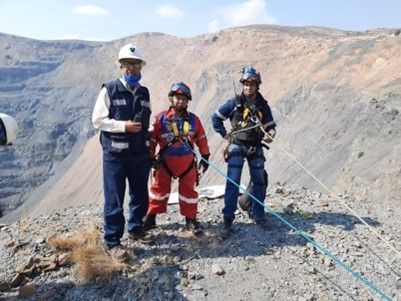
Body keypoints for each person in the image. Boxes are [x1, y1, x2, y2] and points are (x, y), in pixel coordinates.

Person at [92, 43, 152, 261]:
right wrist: (122, 126)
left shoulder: (144, 92)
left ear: (140, 67)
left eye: (135, 65)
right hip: (115, 157)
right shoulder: (108, 90)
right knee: (114, 200)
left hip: (139, 156)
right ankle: (113, 242)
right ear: (120, 66)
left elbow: (146, 122)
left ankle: (136, 229)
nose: (131, 69)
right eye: (127, 64)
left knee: (140, 195)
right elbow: (97, 121)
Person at [211, 66, 276, 237]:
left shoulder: (263, 105)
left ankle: (259, 216)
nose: (248, 87)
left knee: (259, 182)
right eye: (246, 84)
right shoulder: (235, 103)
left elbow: (271, 127)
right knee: (233, 182)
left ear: (257, 86)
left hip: (256, 146)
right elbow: (216, 118)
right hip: (237, 145)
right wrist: (225, 135)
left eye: (252, 84)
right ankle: (227, 220)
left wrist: (271, 135)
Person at [143, 82, 210, 236]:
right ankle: (151, 217)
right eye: (177, 98)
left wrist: (205, 156)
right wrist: (150, 157)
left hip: (188, 164)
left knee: (189, 192)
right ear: (171, 99)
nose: (180, 101)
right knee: (158, 190)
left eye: (183, 98)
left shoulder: (194, 120)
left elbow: (201, 138)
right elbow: (152, 140)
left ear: (188, 101)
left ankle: (190, 219)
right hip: (164, 163)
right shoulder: (160, 119)